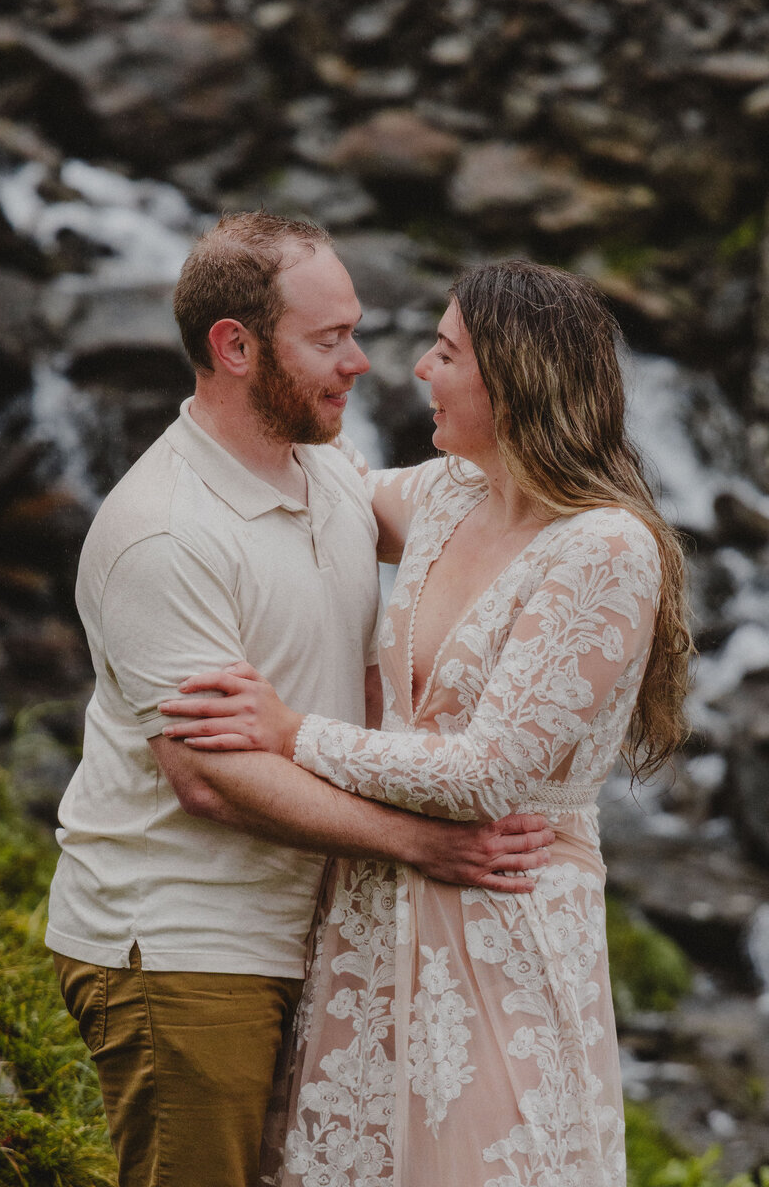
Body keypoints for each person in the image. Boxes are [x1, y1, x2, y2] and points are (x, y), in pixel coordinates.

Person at [45, 213, 554, 1187]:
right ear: (235, 348)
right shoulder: (163, 534)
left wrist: (597, 519)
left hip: (309, 934)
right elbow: (211, 781)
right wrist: (422, 843)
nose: (360, 363)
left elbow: (471, 513)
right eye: (329, 340)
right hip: (186, 944)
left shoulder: (324, 467)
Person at [160, 258, 693, 1186]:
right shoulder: (450, 494)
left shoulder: (605, 547)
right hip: (376, 908)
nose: (417, 370)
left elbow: (488, 773)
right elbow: (331, 481)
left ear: (514, 379)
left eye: (445, 354)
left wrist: (290, 734)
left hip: (503, 910)